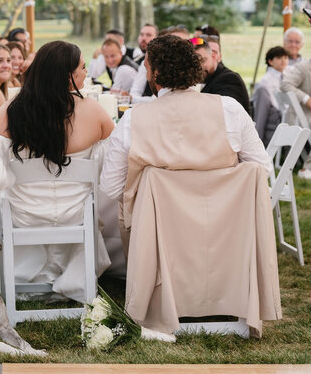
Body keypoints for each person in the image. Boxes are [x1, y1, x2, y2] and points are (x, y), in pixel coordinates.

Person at [100, 35, 278, 339]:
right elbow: (262, 170)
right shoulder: (230, 111)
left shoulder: (133, 121)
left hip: (161, 238)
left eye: (146, 67)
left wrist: (159, 193)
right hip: (226, 234)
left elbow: (110, 187)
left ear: (155, 74)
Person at [0, 41, 114, 302]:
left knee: (3, 198)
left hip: (23, 214)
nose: (87, 73)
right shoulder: (95, 112)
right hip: (74, 214)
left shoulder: (9, 112)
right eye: (83, 68)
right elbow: (116, 159)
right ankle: (72, 277)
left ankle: (25, 276)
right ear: (67, 76)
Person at [193, 38, 251, 114]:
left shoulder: (230, 79)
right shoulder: (201, 78)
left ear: (213, 56)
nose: (199, 66)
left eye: (202, 60)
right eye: (193, 62)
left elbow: (220, 114)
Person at [280, 50, 311, 179]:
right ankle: (307, 169)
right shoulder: (304, 67)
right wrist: (306, 99)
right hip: (305, 113)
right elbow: (285, 84)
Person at [252, 46, 289, 147]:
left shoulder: (287, 75)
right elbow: (272, 104)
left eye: (285, 58)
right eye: (279, 58)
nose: (283, 61)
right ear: (270, 61)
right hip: (275, 114)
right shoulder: (266, 81)